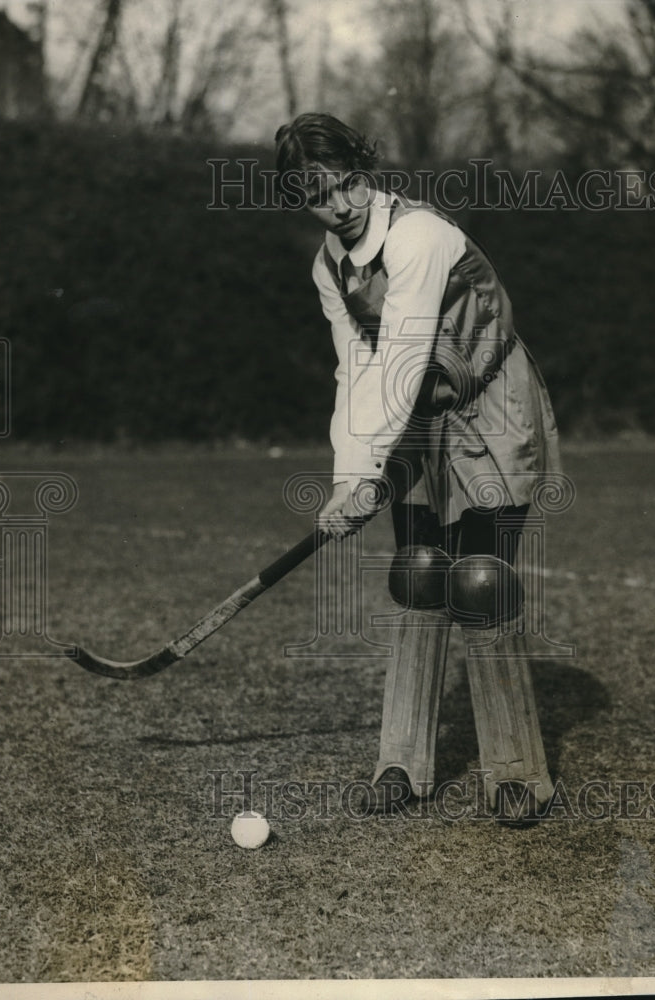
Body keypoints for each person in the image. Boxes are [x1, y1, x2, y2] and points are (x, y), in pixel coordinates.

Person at [274, 113, 561, 820]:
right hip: (418, 418)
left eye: (347, 185)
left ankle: (517, 773)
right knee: (418, 570)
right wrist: (348, 477)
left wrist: (371, 472)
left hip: (487, 401)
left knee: (478, 576)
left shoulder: (419, 237)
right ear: (296, 195)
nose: (339, 206)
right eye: (318, 195)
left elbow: (401, 359)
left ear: (364, 171)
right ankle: (402, 760)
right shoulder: (327, 266)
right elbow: (357, 368)